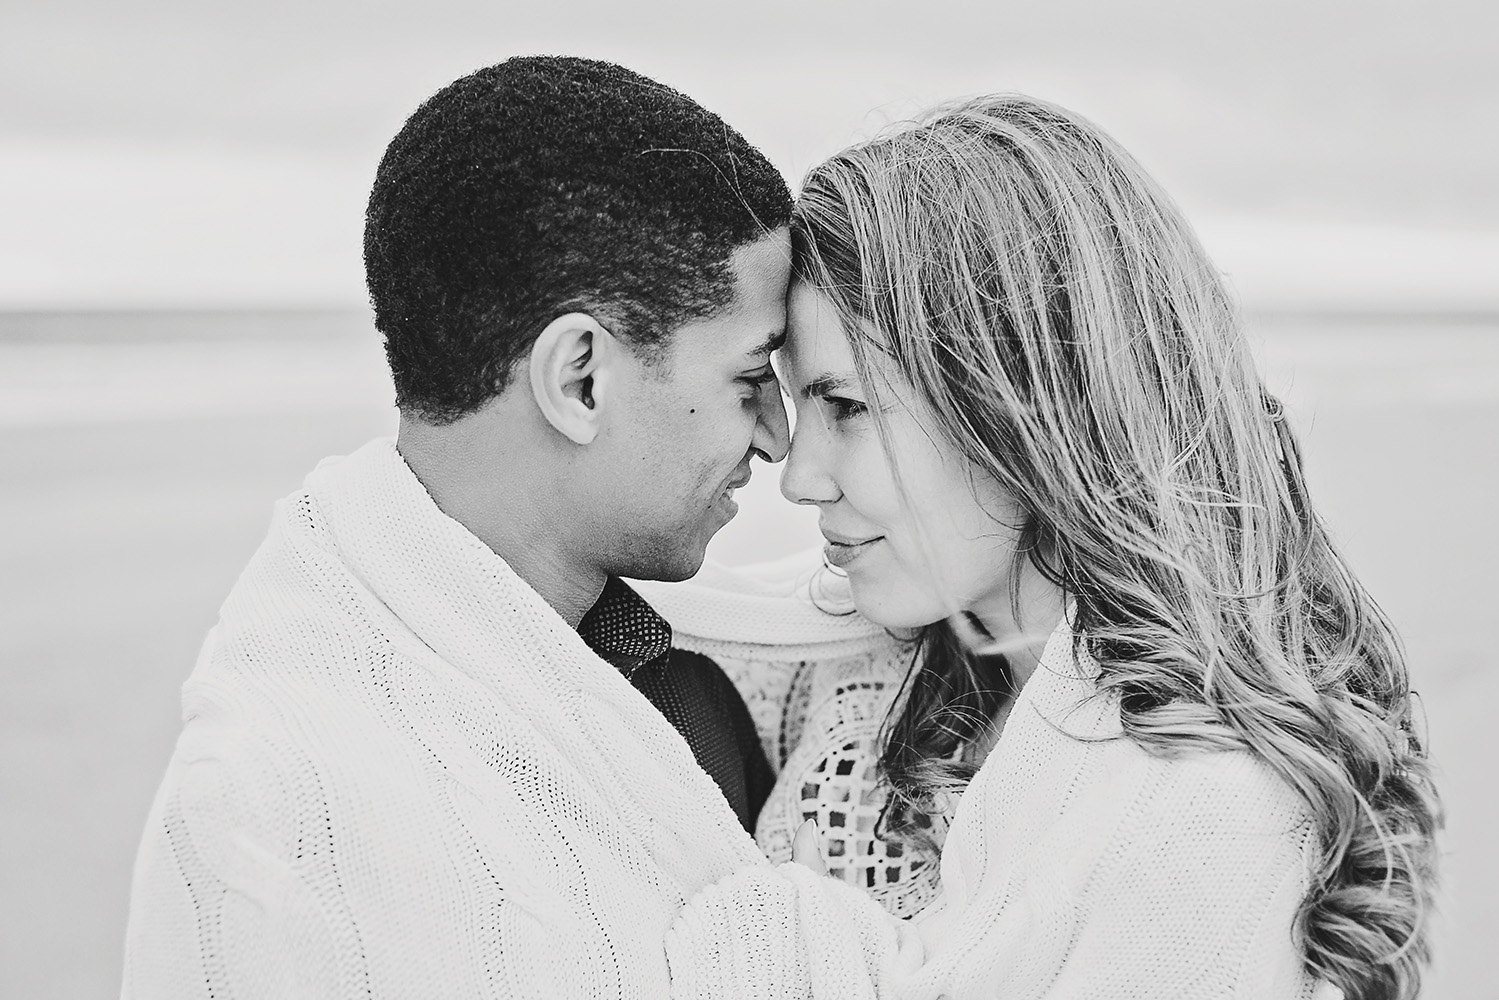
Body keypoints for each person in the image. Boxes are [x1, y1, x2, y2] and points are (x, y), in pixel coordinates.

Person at [661, 94, 1443, 999]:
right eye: (801, 409)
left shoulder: (1201, 815)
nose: (800, 478)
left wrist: (753, 940)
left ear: (1020, 410)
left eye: (846, 408)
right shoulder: (836, 673)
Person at [121, 55, 798, 998]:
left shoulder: (709, 689)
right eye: (749, 376)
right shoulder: (269, 818)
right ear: (581, 381)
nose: (777, 438)